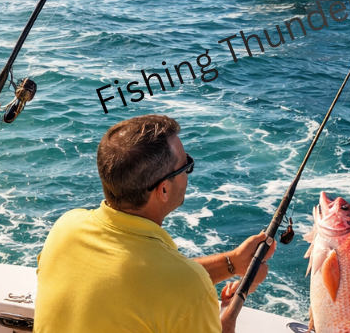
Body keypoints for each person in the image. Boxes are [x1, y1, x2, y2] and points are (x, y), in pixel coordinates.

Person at [35, 115, 274, 333]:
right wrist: (227, 318)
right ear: (163, 189)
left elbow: (135, 283)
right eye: (186, 165)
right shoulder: (189, 287)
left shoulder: (65, 229)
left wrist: (231, 263)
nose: (188, 172)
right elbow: (163, 284)